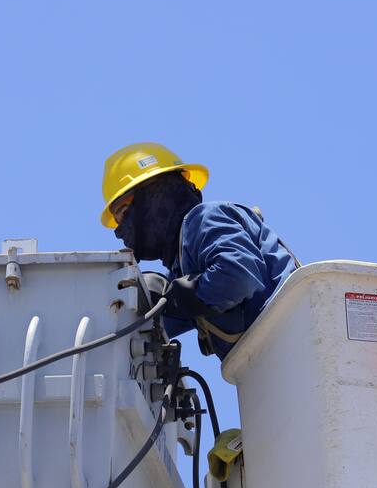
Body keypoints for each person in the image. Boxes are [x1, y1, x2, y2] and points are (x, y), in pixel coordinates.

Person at [100, 142, 298, 359]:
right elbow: (157, 324)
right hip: (280, 364)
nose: (122, 231)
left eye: (125, 211)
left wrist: (183, 296)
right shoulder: (183, 264)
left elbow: (237, 276)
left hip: (295, 341)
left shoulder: (202, 219)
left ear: (154, 195)